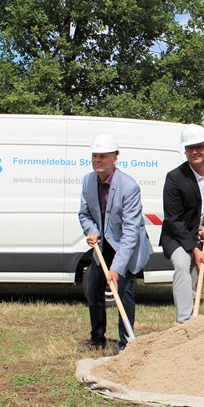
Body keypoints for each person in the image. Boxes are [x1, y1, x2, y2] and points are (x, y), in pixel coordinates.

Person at [78, 134, 152, 351]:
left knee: (124, 294)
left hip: (126, 247)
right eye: (95, 156)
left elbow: (131, 232)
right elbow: (84, 214)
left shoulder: (129, 187)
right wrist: (91, 231)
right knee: (93, 289)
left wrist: (117, 269)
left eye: (103, 156)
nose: (97, 160)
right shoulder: (88, 181)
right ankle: (97, 338)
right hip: (102, 246)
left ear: (114, 158)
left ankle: (126, 343)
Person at [160, 124, 204, 324]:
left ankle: (191, 315)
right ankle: (184, 322)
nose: (195, 152)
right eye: (190, 148)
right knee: (183, 265)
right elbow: (173, 219)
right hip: (176, 236)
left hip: (202, 234)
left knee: (195, 274)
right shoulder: (174, 178)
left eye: (199, 146)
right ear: (184, 151)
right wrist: (194, 249)